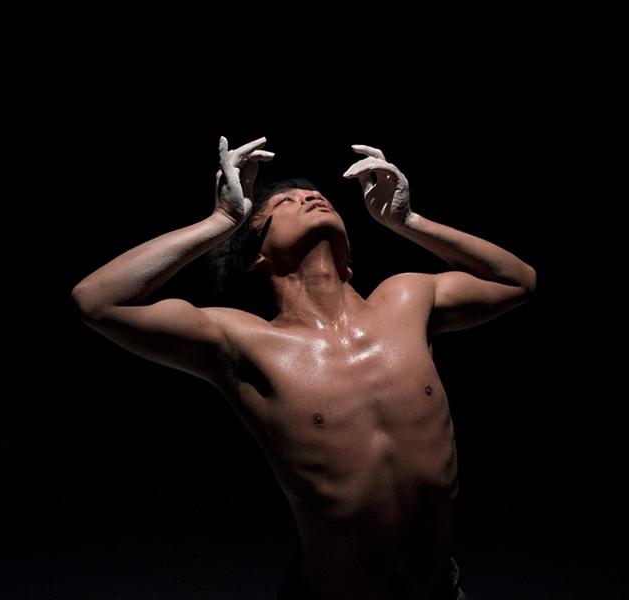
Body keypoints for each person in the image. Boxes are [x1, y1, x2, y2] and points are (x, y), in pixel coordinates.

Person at [71, 136, 535, 599]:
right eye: (285, 203)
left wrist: (409, 221)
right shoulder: (244, 341)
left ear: (349, 254)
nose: (310, 196)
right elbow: (97, 301)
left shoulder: (407, 298)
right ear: (256, 254)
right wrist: (221, 221)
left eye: (315, 196)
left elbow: (517, 280)